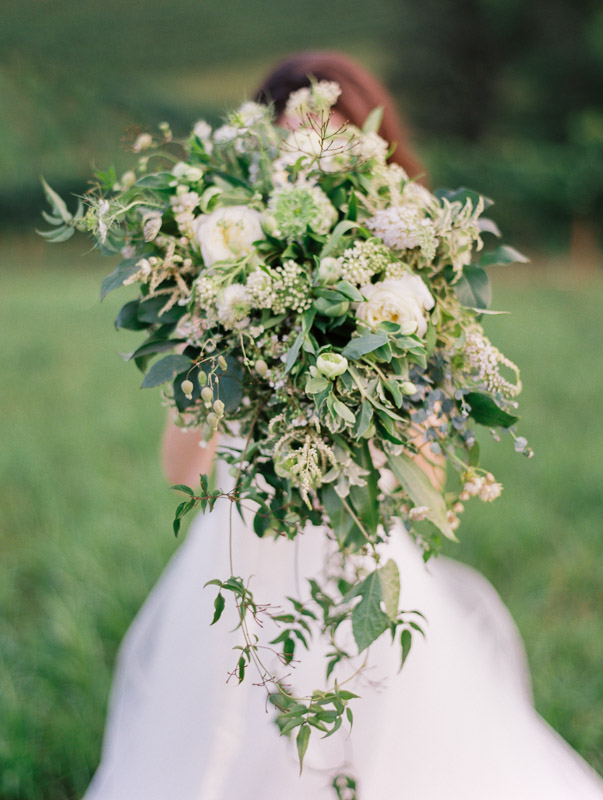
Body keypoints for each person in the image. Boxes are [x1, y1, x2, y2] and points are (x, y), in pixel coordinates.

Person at [83, 52, 603, 800]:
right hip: (234, 548)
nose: (312, 160)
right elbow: (181, 473)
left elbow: (426, 479)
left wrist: (375, 391)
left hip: (361, 547)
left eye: (332, 141)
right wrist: (223, 350)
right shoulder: (215, 285)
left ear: (375, 152)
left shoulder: (414, 287)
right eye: (293, 142)